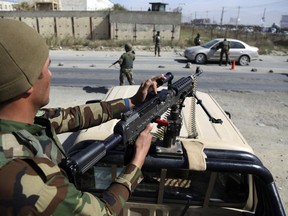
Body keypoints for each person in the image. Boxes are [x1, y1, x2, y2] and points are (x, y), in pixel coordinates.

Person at [0, 19, 165, 215]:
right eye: (47, 67)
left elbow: (73, 116)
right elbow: (103, 212)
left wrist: (132, 101)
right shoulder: (28, 178)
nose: (51, 75)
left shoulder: (21, 119)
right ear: (27, 84)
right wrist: (137, 162)